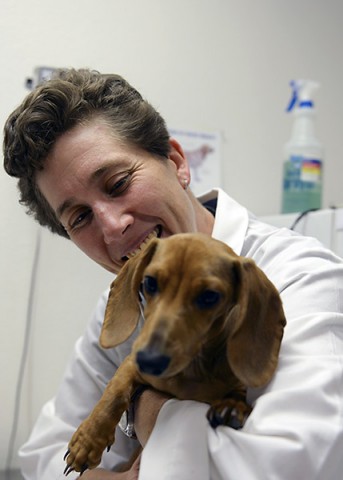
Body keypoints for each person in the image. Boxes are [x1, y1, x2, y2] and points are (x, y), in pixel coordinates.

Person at [3, 68, 343, 480]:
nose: (112, 226)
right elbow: (45, 456)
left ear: (177, 163)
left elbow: (293, 466)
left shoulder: (301, 276)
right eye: (79, 217)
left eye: (117, 182)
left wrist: (145, 409)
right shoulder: (123, 299)